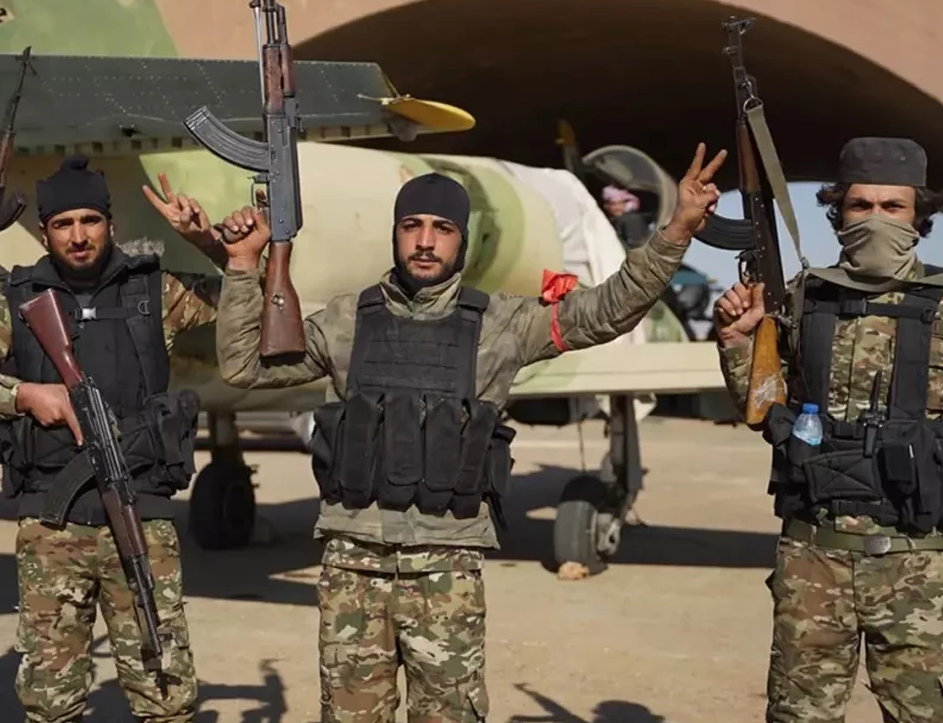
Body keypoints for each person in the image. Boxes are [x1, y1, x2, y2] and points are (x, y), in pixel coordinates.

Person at [215, 143, 728, 722]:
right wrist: (242, 265)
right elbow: (243, 366)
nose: (425, 241)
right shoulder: (344, 322)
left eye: (442, 229)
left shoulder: (502, 325)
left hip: (446, 575)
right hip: (352, 569)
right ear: (395, 234)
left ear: (461, 240)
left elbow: (607, 310)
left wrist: (676, 232)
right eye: (411, 226)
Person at [712, 136, 943, 722]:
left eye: (893, 206)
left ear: (918, 216)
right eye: (861, 205)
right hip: (812, 559)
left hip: (912, 564)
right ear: (839, 212)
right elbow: (765, 413)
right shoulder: (803, 297)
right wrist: (737, 343)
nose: (876, 218)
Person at [0, 155, 226, 723]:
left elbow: (251, 303)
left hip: (141, 518)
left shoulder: (153, 291)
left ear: (111, 224)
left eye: (90, 220)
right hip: (51, 529)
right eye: (63, 224)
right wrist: (24, 395)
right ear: (45, 232)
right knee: (50, 700)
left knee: (165, 692)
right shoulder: (17, 304)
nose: (78, 236)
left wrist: (208, 243)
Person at [600, 184, 651, 249]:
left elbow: (635, 246)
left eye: (620, 203)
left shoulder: (632, 219)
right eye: (612, 204)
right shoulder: (613, 220)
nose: (617, 207)